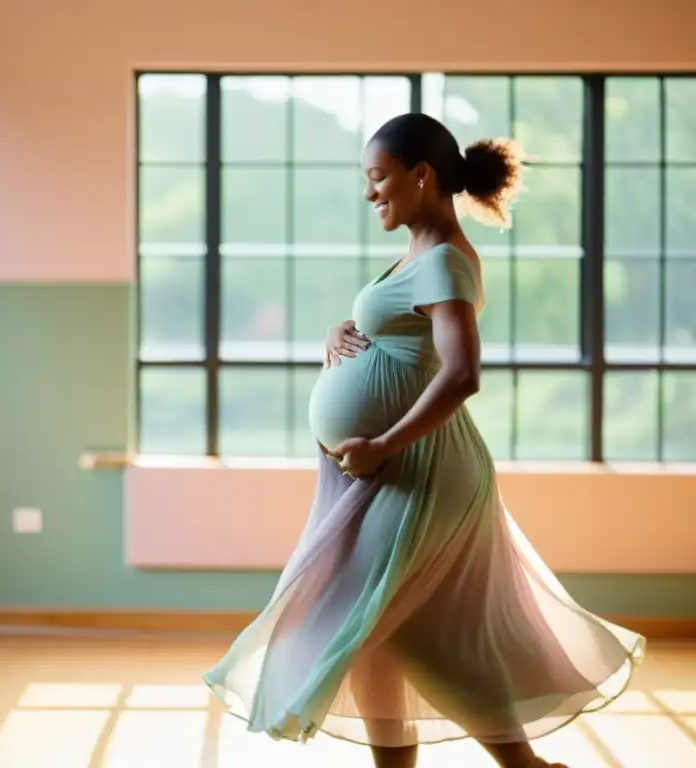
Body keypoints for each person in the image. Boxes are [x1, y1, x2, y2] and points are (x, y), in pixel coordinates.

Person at [203, 113, 644, 768]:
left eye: (378, 178)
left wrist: (382, 445)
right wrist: (341, 329)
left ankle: (525, 766)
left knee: (387, 628)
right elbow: (400, 336)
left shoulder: (443, 261)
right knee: (387, 633)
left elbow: (463, 375)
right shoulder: (422, 255)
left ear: (422, 175)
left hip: (418, 471)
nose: (369, 192)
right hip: (388, 472)